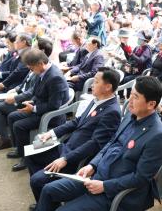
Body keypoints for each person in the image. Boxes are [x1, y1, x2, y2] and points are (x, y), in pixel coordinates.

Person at [24, 76, 162, 211]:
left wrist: (105, 186)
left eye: (136, 97)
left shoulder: (158, 136)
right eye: (130, 94)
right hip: (95, 176)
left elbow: (140, 178)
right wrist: (92, 165)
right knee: (48, 190)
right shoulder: (130, 116)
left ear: (151, 104)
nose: (129, 99)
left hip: (116, 193)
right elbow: (111, 143)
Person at [27, 67, 122, 204]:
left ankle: (48, 205)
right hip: (67, 146)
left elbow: (95, 144)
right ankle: (47, 200)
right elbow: (77, 122)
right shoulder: (96, 100)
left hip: (76, 158)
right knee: (31, 153)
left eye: (96, 82)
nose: (92, 84)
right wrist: (51, 133)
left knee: (36, 180)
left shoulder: (112, 112)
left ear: (107, 87)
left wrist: (66, 159)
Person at [6, 49, 69, 172]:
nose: (31, 71)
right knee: (12, 116)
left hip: (51, 116)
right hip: (40, 108)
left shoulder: (55, 77)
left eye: (31, 68)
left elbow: (54, 106)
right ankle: (20, 149)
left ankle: (26, 158)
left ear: (40, 63)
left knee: (19, 126)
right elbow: (37, 93)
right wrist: (32, 102)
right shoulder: (43, 72)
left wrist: (34, 108)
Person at [118, 30, 152, 100]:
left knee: (127, 79)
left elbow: (141, 60)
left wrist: (131, 54)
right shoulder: (137, 47)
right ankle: (121, 96)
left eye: (140, 38)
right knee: (121, 76)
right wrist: (124, 47)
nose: (138, 39)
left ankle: (129, 97)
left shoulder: (147, 50)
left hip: (141, 73)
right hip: (133, 70)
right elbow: (130, 59)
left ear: (145, 40)